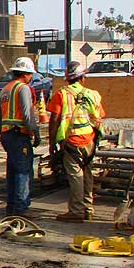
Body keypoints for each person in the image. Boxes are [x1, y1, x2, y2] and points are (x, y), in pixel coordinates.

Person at [48, 60, 105, 222]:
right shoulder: (93, 94)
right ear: (82, 78)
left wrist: (52, 142)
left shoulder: (62, 94)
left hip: (72, 141)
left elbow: (55, 119)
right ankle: (88, 208)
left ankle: (77, 211)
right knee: (87, 174)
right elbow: (99, 117)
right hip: (89, 140)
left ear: (68, 79)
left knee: (75, 176)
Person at [0, 56, 42, 216]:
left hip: (7, 134)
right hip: (19, 134)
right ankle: (21, 207)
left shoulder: (6, 89)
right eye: (30, 74)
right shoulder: (22, 88)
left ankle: (12, 205)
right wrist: (35, 133)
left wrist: (2, 133)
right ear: (25, 74)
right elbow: (27, 113)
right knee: (23, 171)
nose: (31, 77)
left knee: (13, 170)